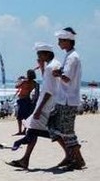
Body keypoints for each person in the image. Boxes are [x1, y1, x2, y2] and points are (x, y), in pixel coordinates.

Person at [7, 44, 60, 170]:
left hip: (45, 106)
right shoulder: (51, 66)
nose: (38, 57)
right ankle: (25, 159)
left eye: (39, 55)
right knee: (34, 130)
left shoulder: (51, 67)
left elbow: (49, 90)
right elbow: (46, 81)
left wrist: (40, 108)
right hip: (42, 104)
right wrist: (42, 67)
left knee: (51, 132)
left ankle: (72, 153)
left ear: (46, 54)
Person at [50, 27, 86, 170]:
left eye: (60, 41)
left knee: (67, 132)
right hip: (63, 99)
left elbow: (66, 78)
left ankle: (78, 159)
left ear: (67, 41)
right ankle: (71, 156)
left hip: (68, 99)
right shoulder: (70, 55)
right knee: (53, 127)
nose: (59, 43)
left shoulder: (72, 57)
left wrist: (58, 73)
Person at [14, 70, 38, 135]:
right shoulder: (35, 83)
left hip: (22, 99)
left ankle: (20, 131)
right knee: (26, 116)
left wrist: (21, 80)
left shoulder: (25, 82)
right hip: (28, 100)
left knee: (20, 117)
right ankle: (25, 130)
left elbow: (16, 86)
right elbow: (37, 93)